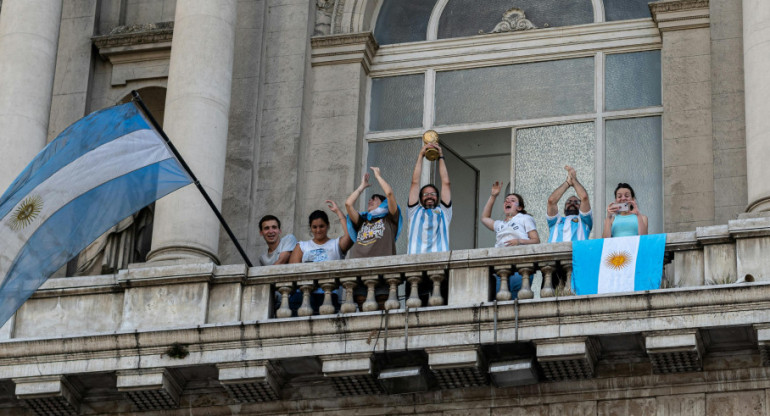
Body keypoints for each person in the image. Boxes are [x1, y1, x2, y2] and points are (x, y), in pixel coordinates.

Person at [481, 182, 540, 297]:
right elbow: (484, 218)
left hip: (520, 264)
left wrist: (519, 242)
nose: (508, 201)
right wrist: (493, 196)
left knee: (517, 297)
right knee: (502, 300)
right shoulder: (500, 224)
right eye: (506, 200)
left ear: (519, 207)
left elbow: (536, 240)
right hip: (501, 266)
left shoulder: (524, 218)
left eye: (512, 200)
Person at [345, 167, 402, 259]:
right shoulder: (362, 221)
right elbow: (348, 204)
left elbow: (389, 194)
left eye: (375, 199)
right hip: (358, 268)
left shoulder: (389, 219)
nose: (370, 201)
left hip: (381, 268)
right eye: (370, 199)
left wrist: (378, 177)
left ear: (383, 204)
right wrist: (362, 187)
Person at [407, 143, 452, 254]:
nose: (430, 196)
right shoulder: (414, 211)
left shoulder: (444, 212)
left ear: (438, 197)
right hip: (414, 264)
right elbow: (415, 182)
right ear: (420, 198)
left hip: (440, 264)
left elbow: (446, 183)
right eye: (426, 194)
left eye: (433, 194)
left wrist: (440, 156)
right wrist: (421, 155)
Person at [546, 165, 593, 242]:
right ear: (564, 209)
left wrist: (574, 180)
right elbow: (551, 201)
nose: (572, 203)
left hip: (577, 253)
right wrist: (567, 182)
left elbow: (584, 197)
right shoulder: (556, 220)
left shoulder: (585, 221)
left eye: (576, 202)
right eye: (569, 202)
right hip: (555, 253)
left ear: (581, 207)